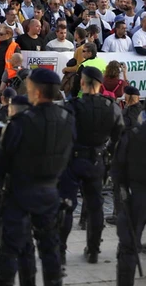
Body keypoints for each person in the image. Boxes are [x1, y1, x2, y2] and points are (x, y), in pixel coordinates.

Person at [0, 68, 74, 285]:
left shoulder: (21, 122)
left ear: (36, 92)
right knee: (50, 250)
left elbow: (2, 161)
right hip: (50, 191)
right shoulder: (67, 119)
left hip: (21, 193)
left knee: (10, 250)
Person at [59, 65, 124, 264]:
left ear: (83, 83)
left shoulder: (74, 106)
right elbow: (118, 136)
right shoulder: (111, 106)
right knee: (96, 207)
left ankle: (60, 251)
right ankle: (94, 249)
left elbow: (63, 133)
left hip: (74, 159)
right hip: (97, 160)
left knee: (67, 206)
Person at [111, 110, 146, 286]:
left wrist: (123, 190)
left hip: (137, 195)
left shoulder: (132, 135)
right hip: (137, 192)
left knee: (129, 246)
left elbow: (117, 170)